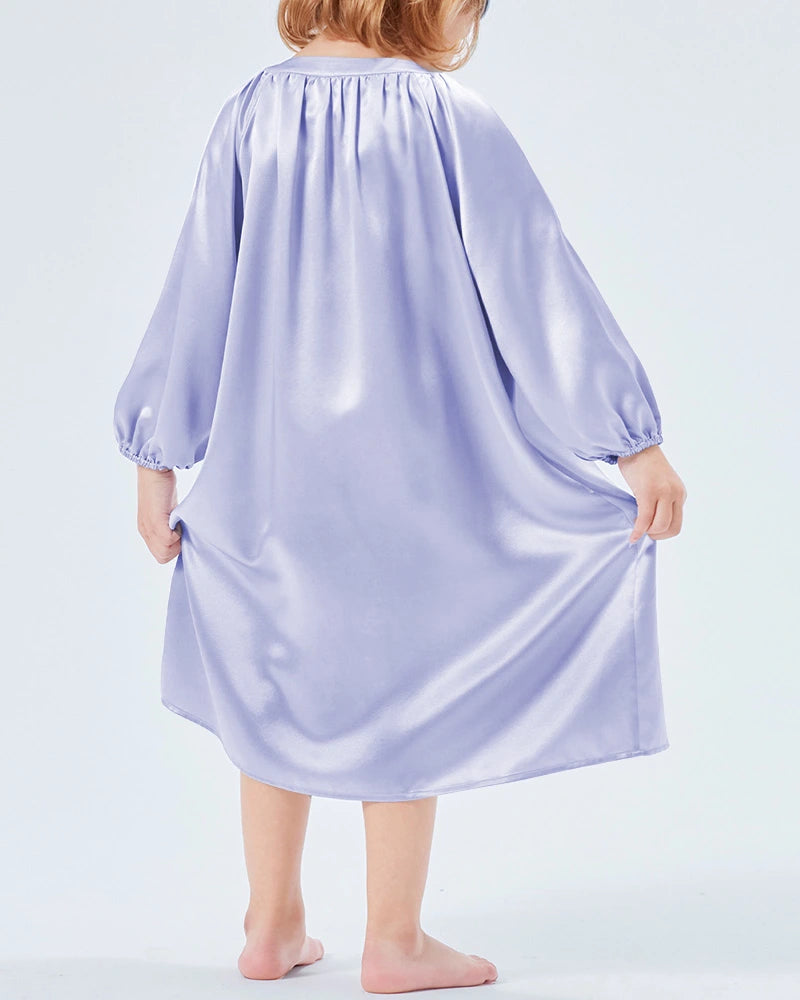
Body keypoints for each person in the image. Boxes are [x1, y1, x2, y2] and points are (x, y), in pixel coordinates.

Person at [112, 0, 687, 992]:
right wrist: (630, 441)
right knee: (410, 688)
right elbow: (534, 280)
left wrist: (156, 456)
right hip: (411, 477)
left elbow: (198, 285)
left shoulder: (250, 114)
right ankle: (394, 940)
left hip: (266, 477)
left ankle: (270, 925)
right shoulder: (446, 117)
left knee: (271, 678)